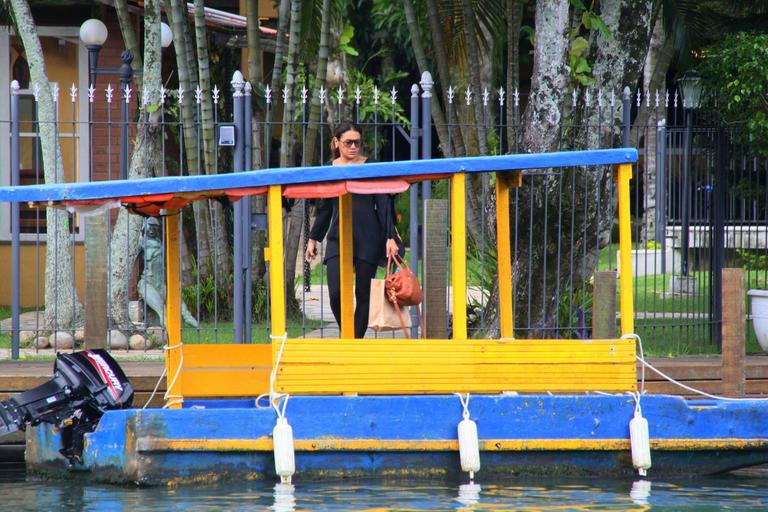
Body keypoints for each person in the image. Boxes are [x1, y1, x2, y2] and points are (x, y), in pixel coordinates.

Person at [305, 122, 401, 338]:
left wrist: (390, 236)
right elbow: (324, 209)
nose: (353, 147)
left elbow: (384, 202)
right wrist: (313, 238)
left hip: (369, 236)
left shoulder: (370, 165)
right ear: (336, 143)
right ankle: (346, 332)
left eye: (357, 142)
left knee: (363, 293)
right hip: (338, 236)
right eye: (348, 142)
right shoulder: (329, 169)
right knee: (335, 293)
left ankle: (354, 342)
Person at [138, 217, 199, 329]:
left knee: (180, 303)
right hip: (148, 284)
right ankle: (170, 338)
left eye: (155, 227)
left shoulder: (159, 242)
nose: (152, 230)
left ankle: (190, 320)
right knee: (163, 312)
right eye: (150, 227)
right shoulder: (141, 243)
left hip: (160, 284)